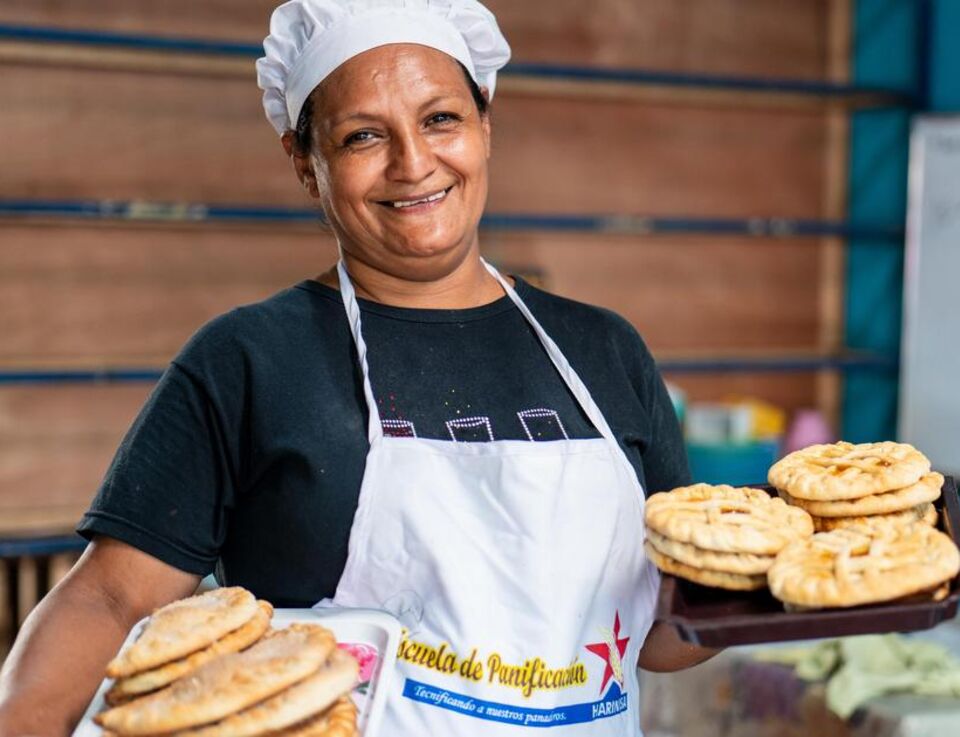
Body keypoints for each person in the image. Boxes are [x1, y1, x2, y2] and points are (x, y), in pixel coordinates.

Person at [0, 1, 720, 734]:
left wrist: (787, 590)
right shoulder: (250, 360)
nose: (413, 163)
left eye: (440, 118)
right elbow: (111, 600)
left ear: (484, 128)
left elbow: (655, 629)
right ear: (304, 164)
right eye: (363, 136)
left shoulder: (603, 350)